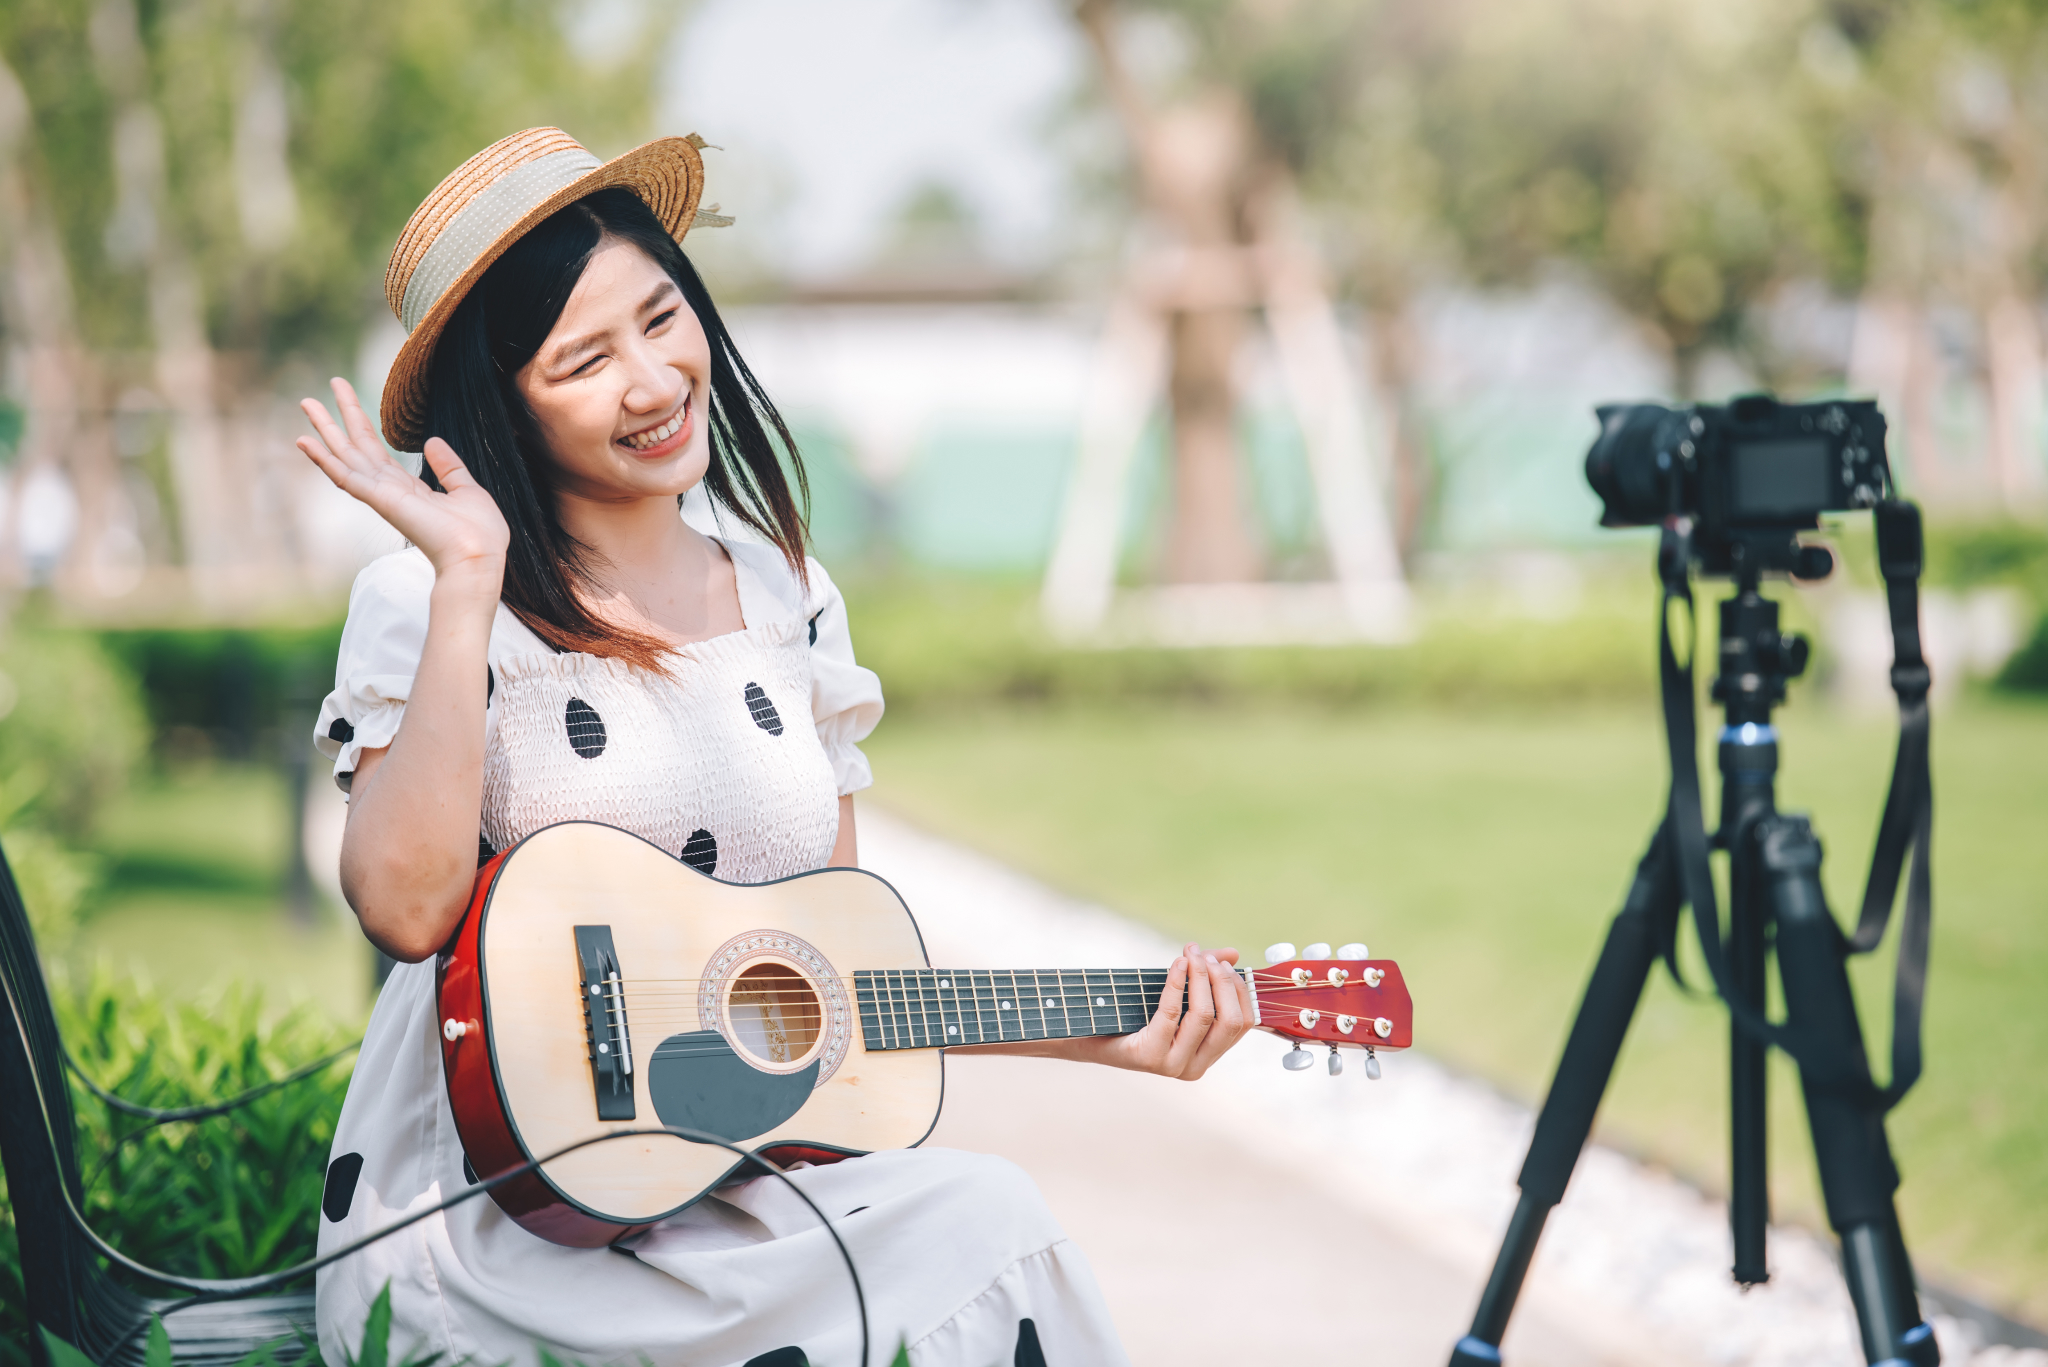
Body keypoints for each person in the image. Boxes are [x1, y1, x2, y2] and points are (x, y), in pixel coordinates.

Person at [300, 128, 1257, 1367]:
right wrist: (469, 579)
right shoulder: (430, 597)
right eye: (584, 359)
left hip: (716, 1190)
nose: (650, 382)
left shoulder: (785, 590)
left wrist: (1115, 1030)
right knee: (984, 1239)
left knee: (986, 1228)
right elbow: (402, 903)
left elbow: (826, 973)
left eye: (661, 317)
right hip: (489, 1222)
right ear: (503, 404)